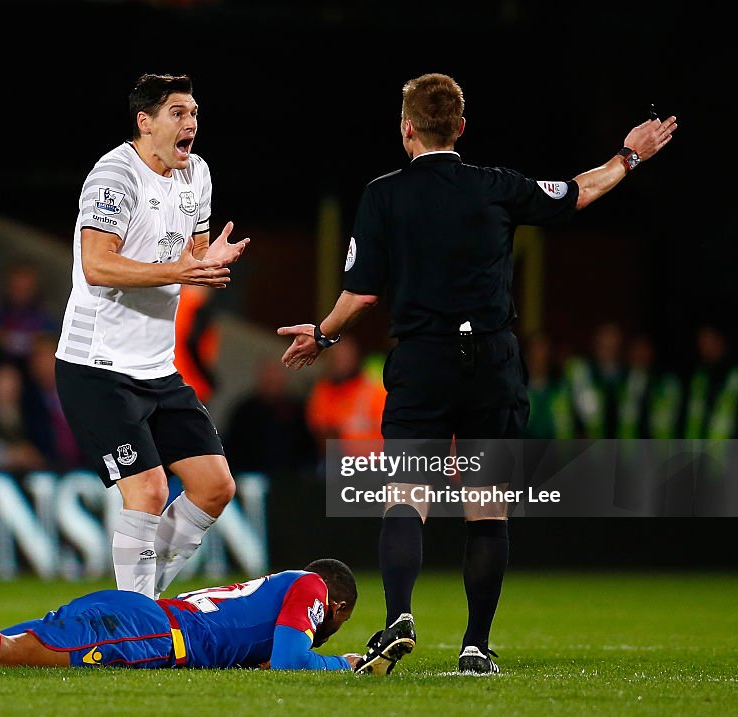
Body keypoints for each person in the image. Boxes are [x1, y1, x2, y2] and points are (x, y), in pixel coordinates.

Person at [277, 73, 678, 675]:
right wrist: (629, 155)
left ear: (406, 128)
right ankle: (474, 648)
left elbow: (360, 296)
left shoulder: (383, 195)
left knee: (406, 499)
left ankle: (400, 618)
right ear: (461, 127)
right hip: (491, 359)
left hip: (422, 359)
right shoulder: (497, 187)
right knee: (486, 506)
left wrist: (323, 332)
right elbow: (577, 193)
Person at [54, 73, 249, 600]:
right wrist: (184, 272)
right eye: (179, 113)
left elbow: (193, 253)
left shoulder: (197, 174)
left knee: (214, 487)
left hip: (157, 368)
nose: (191, 124)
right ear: (146, 122)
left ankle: (138, 606)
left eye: (194, 114)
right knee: (148, 489)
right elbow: (96, 265)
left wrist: (208, 263)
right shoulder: (115, 176)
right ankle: (137, 628)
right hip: (96, 366)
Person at [0, 558, 359, 671]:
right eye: (336, 621)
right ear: (334, 604)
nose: (327, 629)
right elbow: (289, 661)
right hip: (149, 632)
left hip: (139, 617)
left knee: (8, 646)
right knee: (9, 650)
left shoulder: (279, 585)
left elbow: (265, 656)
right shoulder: (310, 584)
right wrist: (348, 665)